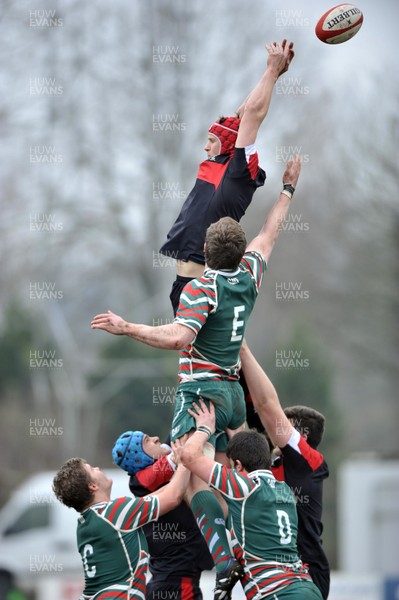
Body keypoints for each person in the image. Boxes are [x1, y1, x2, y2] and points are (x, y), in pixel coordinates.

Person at [91, 154, 301, 599]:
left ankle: (226, 560)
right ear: (239, 253)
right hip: (232, 393)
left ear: (205, 254)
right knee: (230, 472)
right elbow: (269, 234)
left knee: (193, 472)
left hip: (202, 392)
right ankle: (246, 548)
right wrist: (286, 190)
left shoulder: (202, 288)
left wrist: (129, 327)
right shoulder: (250, 273)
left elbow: (178, 336)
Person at [159, 39, 294, 316]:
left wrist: (270, 71)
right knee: (200, 357)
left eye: (211, 140)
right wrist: (273, 75)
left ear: (228, 143)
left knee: (206, 356)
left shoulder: (238, 171)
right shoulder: (220, 162)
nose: (206, 147)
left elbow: (252, 117)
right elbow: (242, 114)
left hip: (202, 284)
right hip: (184, 282)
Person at [176, 399, 323, 599]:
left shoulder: (244, 486)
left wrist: (204, 428)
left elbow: (189, 457)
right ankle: (224, 564)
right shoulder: (284, 490)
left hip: (277, 592)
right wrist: (235, 423)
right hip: (307, 587)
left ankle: (224, 563)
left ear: (237, 466)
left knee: (195, 488)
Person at [239, 341, 330, 599]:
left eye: (283, 426)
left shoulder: (311, 462)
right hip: (274, 576)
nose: (272, 430)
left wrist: (242, 348)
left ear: (300, 435)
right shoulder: (276, 462)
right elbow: (254, 412)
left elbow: (267, 407)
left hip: (307, 573)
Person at [52, 453, 189, 600]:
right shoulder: (114, 512)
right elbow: (173, 496)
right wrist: (187, 459)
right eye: (92, 469)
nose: (98, 468)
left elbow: (155, 498)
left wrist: (176, 465)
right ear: (92, 486)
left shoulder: (85, 523)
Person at [112, 429, 214, 600]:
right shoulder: (140, 481)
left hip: (176, 581)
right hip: (174, 585)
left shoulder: (155, 474)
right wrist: (204, 429)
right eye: (147, 441)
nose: (156, 438)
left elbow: (177, 432)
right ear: (139, 457)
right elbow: (176, 462)